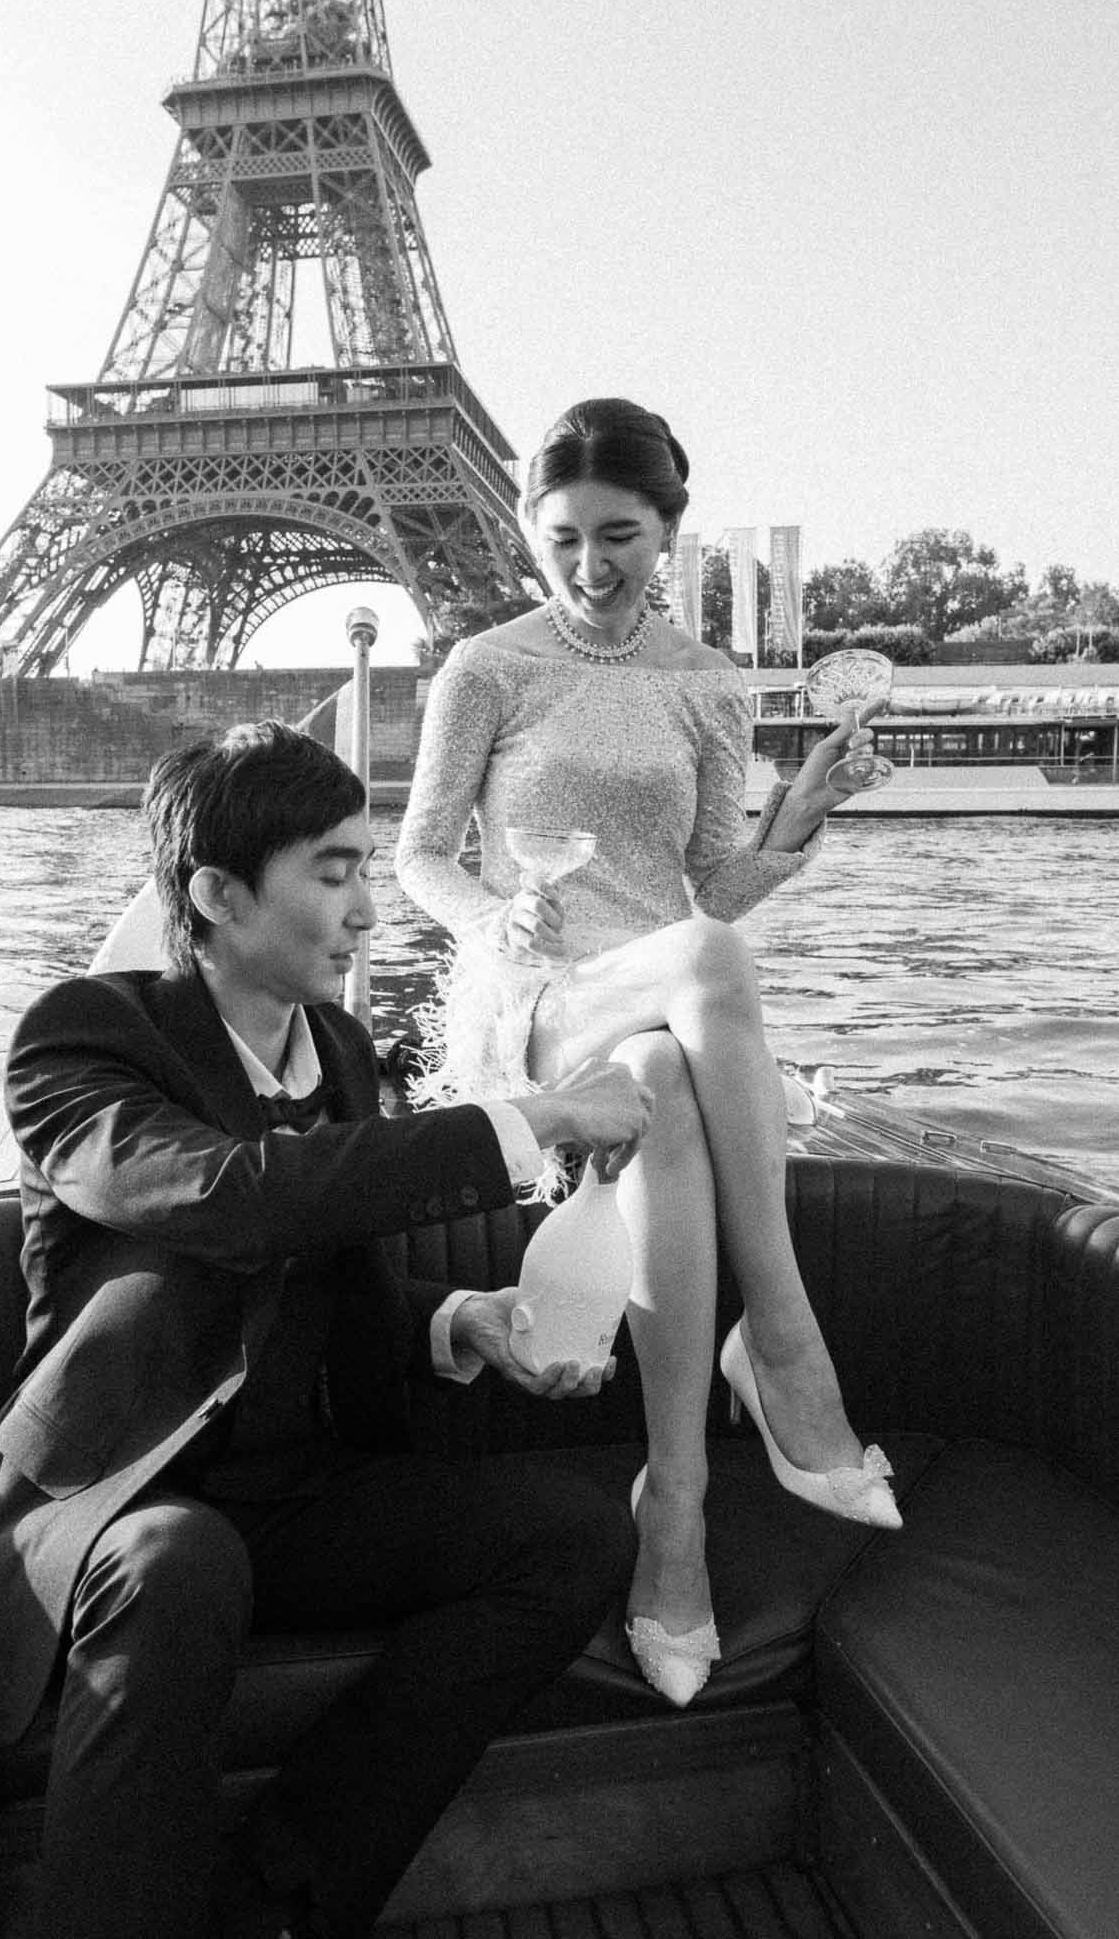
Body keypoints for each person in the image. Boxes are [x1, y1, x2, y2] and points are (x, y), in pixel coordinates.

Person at [0, 720, 652, 1939]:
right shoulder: (83, 1039)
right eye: (333, 872)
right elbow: (233, 1199)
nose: (369, 910)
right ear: (217, 895)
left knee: (574, 1535)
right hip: (119, 1497)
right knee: (180, 1561)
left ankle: (275, 1901)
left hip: (296, 1493)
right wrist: (533, 1115)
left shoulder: (342, 1049)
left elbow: (319, 1261)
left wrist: (457, 1320)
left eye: (368, 867)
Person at [394, 396, 900, 1712]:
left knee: (671, 1068)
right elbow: (420, 853)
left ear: (668, 529)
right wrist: (487, 919)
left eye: (617, 535)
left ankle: (674, 1501)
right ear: (529, 527)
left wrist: (798, 812)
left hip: (662, 1014)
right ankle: (780, 1340)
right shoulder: (485, 668)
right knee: (704, 973)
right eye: (562, 537)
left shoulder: (706, 684)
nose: (589, 564)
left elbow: (710, 886)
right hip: (530, 1003)